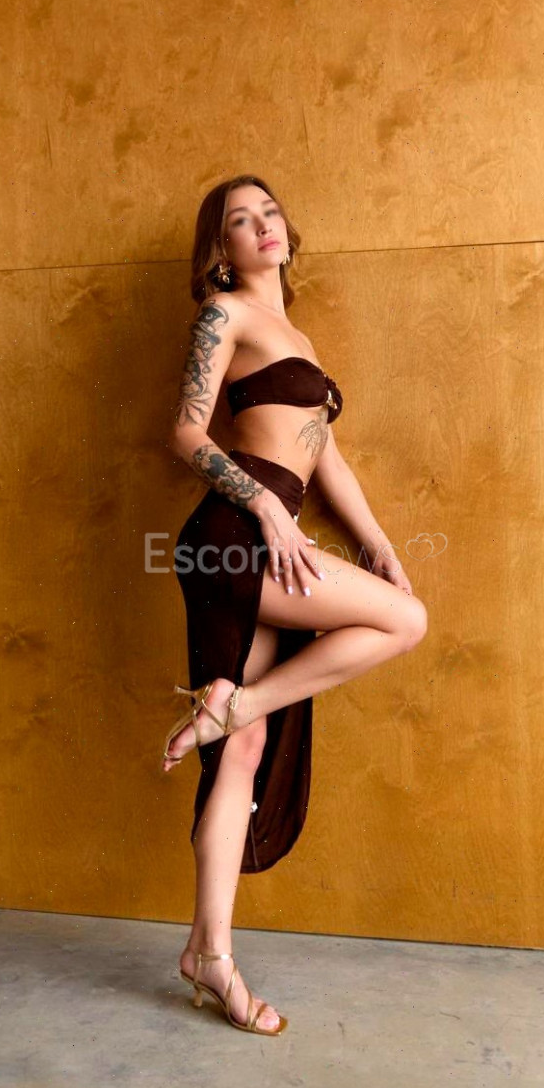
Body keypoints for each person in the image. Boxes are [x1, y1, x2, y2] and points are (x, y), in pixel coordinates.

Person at [162, 174, 428, 1037]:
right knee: (405, 622)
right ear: (222, 250)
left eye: (269, 212)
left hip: (266, 537)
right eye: (240, 221)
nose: (262, 226)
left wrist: (378, 543)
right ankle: (239, 704)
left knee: (240, 751)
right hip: (235, 534)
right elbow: (186, 432)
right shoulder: (225, 315)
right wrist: (271, 509)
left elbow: (327, 459)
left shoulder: (297, 337)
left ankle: (209, 955)